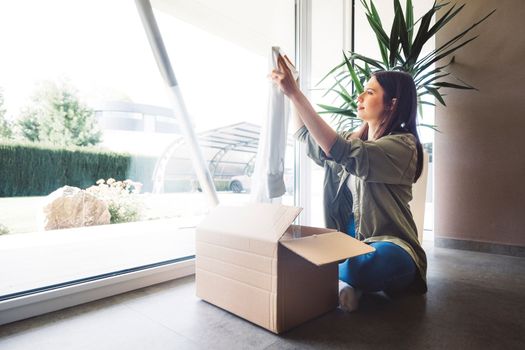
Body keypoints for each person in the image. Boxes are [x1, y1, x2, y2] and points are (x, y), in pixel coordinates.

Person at [270, 54, 427, 312]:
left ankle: (337, 276)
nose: (360, 97)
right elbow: (304, 134)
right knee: (349, 261)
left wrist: (296, 94)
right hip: (349, 245)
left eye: (369, 92)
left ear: (392, 103)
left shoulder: (403, 146)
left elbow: (340, 150)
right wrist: (291, 93)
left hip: (391, 244)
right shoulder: (353, 140)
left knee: (373, 263)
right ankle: (343, 279)